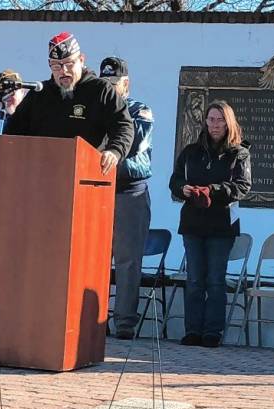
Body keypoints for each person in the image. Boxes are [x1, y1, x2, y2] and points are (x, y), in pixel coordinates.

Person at [168, 100, 251, 348]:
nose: (215, 124)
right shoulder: (191, 151)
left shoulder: (239, 153)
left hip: (221, 224)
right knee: (194, 280)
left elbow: (242, 187)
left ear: (229, 123)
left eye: (220, 120)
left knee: (215, 280)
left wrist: (211, 191)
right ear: (205, 121)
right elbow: (174, 180)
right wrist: (183, 188)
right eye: (211, 119)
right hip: (193, 223)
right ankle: (192, 330)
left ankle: (212, 332)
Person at [5, 32, 133, 175]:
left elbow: (123, 126)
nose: (63, 71)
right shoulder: (39, 93)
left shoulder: (100, 90)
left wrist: (114, 151)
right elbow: (13, 134)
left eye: (69, 64)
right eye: (56, 67)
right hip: (41, 179)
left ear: (81, 60)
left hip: (86, 176)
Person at [99, 56, 155, 340]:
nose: (109, 87)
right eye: (104, 83)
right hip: (97, 190)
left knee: (127, 261)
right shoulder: (96, 110)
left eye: (114, 83)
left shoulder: (139, 110)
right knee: (93, 259)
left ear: (126, 83)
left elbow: (131, 144)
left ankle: (124, 323)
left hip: (130, 191)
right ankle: (93, 320)